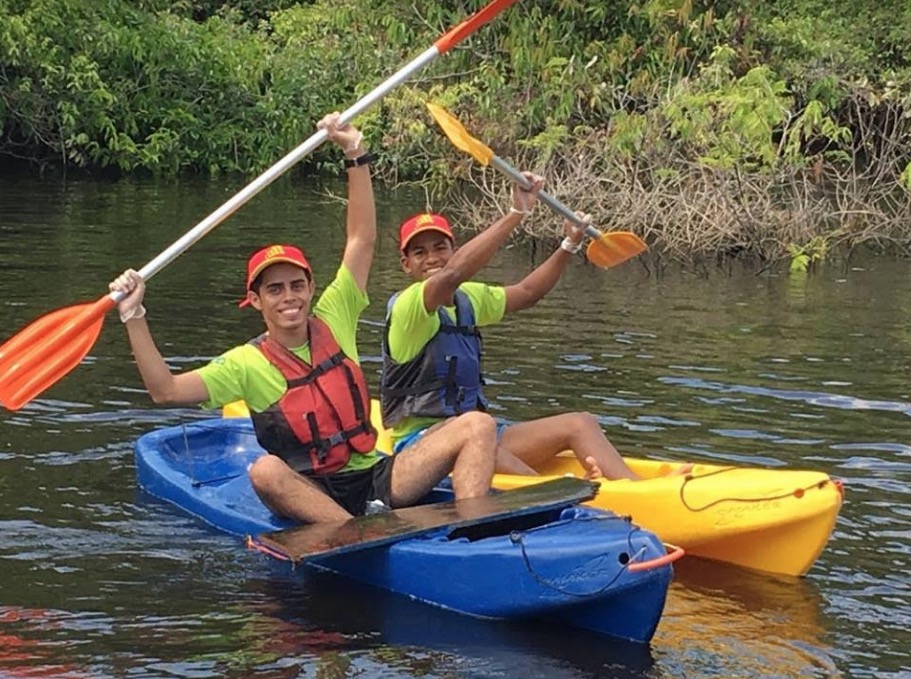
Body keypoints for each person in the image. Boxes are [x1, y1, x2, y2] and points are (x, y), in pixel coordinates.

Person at [109, 112, 497, 524]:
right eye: (274, 289)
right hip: (311, 490)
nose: (289, 297)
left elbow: (361, 239)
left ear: (311, 289)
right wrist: (134, 314)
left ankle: (469, 534)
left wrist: (355, 153)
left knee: (477, 424)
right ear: (255, 301)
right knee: (264, 471)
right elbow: (164, 390)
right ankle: (352, 533)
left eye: (297, 285)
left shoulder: (336, 314)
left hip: (374, 479)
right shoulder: (246, 363)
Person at [381, 174, 690, 481]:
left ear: (452, 249)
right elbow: (450, 275)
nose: (432, 258)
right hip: (423, 445)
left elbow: (529, 293)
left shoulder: (467, 299)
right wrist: (517, 213)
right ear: (406, 264)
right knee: (482, 446)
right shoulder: (409, 306)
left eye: (440, 247)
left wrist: (569, 244)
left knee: (579, 423)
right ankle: (554, 492)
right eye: (419, 252)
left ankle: (633, 489)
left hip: (480, 432)